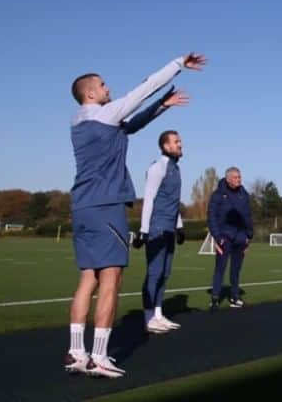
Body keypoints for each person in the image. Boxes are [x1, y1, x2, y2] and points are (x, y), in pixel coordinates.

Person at [65, 52, 206, 378]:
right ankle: (99, 357)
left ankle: (76, 351)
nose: (107, 87)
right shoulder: (105, 114)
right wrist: (178, 64)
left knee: (88, 278)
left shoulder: (80, 122)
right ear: (90, 94)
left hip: (82, 207)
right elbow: (143, 89)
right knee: (112, 278)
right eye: (102, 85)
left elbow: (129, 126)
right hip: (106, 207)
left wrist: (162, 107)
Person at [132, 129, 187, 334]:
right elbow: (149, 199)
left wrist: (179, 226)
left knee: (165, 273)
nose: (180, 144)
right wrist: (144, 230)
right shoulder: (158, 168)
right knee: (154, 273)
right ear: (166, 146)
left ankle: (158, 314)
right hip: (156, 228)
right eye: (176, 141)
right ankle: (148, 318)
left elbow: (173, 203)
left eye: (180, 141)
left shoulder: (176, 169)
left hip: (169, 229)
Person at [207, 166, 253, 309]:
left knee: (236, 269)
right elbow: (211, 217)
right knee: (220, 268)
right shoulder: (218, 195)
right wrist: (217, 237)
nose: (239, 180)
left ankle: (235, 297)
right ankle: (215, 298)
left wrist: (248, 236)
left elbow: (248, 216)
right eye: (235, 177)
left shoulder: (243, 194)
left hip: (240, 237)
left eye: (239, 177)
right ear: (228, 179)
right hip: (224, 236)